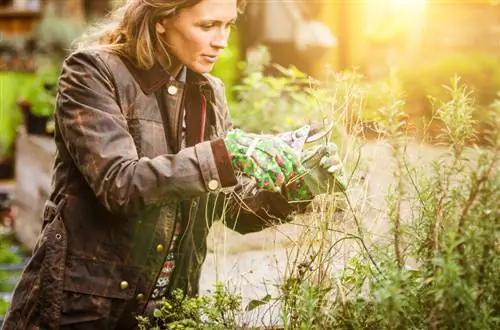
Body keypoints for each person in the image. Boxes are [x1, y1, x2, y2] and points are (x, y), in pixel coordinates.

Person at [1, 0, 343, 329]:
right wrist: (226, 154)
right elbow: (120, 185)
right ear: (161, 19)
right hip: (84, 310)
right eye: (207, 25)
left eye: (228, 25)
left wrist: (299, 185)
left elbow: (232, 208)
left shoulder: (208, 91)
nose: (221, 40)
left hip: (167, 311)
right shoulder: (93, 72)